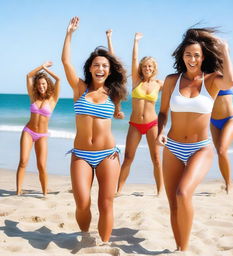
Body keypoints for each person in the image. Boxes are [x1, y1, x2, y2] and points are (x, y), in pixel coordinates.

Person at [157, 28, 233, 251]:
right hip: (172, 147)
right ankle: (179, 248)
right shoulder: (172, 80)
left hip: (200, 148)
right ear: (182, 56)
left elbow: (230, 81)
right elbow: (162, 113)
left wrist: (225, 50)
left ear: (204, 57)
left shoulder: (211, 80)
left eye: (197, 55)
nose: (192, 59)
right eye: (188, 55)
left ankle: (185, 248)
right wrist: (159, 131)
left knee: (183, 193)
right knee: (173, 203)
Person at [61, 17, 127, 243]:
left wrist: (109, 43)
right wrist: (69, 34)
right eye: (96, 64)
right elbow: (66, 62)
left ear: (109, 71)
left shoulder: (113, 92)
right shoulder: (80, 88)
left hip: (108, 154)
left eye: (105, 66)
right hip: (81, 154)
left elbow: (118, 63)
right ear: (90, 68)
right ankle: (85, 234)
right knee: (82, 202)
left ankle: (106, 244)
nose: (100, 68)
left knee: (106, 202)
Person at [116, 32, 164, 196]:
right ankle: (119, 190)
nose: (147, 68)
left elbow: (178, 85)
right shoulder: (137, 81)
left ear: (154, 68)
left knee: (156, 159)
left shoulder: (159, 84)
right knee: (128, 158)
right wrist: (135, 42)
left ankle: (159, 192)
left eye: (150, 66)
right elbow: (134, 59)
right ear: (141, 69)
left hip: (152, 125)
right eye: (145, 66)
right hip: (135, 125)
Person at [16, 61, 60, 195]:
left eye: (44, 84)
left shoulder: (53, 99)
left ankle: (45, 193)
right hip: (28, 132)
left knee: (41, 165)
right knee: (23, 161)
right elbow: (29, 76)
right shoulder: (33, 96)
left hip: (42, 136)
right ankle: (18, 191)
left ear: (48, 85)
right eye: (39, 84)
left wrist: (46, 70)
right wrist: (41, 66)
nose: (41, 86)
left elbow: (58, 79)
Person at [210, 89, 233, 193]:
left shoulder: (223, 76)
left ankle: (229, 184)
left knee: (222, 150)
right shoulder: (204, 77)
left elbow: (231, 80)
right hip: (213, 122)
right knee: (219, 153)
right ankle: (227, 182)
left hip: (230, 119)